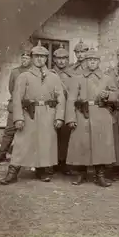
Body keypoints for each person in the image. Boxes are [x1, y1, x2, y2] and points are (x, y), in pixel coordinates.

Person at [0, 41, 66, 185]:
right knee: (22, 142)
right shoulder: (24, 76)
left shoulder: (54, 77)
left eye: (42, 56)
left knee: (44, 142)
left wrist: (59, 116)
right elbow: (16, 98)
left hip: (48, 114)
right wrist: (18, 118)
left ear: (46, 58)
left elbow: (61, 98)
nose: (40, 59)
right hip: (29, 113)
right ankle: (12, 172)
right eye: (36, 56)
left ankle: (41, 170)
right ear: (32, 58)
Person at [65, 45, 119, 188]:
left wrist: (108, 95)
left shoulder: (107, 78)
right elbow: (71, 99)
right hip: (83, 113)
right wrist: (70, 118)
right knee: (81, 144)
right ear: (85, 61)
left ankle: (100, 175)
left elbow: (117, 95)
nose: (92, 62)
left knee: (101, 146)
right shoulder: (77, 78)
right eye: (89, 60)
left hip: (101, 113)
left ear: (99, 61)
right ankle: (80, 174)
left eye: (95, 60)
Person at [0, 43, 33, 163]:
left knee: (28, 132)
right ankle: (1, 154)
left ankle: (23, 156)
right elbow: (11, 88)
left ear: (31, 59)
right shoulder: (15, 72)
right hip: (15, 106)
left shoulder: (33, 72)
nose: (24, 60)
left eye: (27, 58)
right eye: (23, 58)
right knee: (9, 131)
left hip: (29, 107)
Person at [51, 44, 74, 175]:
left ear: (67, 60)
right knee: (52, 136)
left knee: (65, 136)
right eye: (58, 58)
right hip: (52, 108)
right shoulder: (49, 73)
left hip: (67, 109)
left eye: (64, 58)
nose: (61, 61)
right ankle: (51, 162)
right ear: (54, 60)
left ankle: (64, 162)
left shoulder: (73, 75)